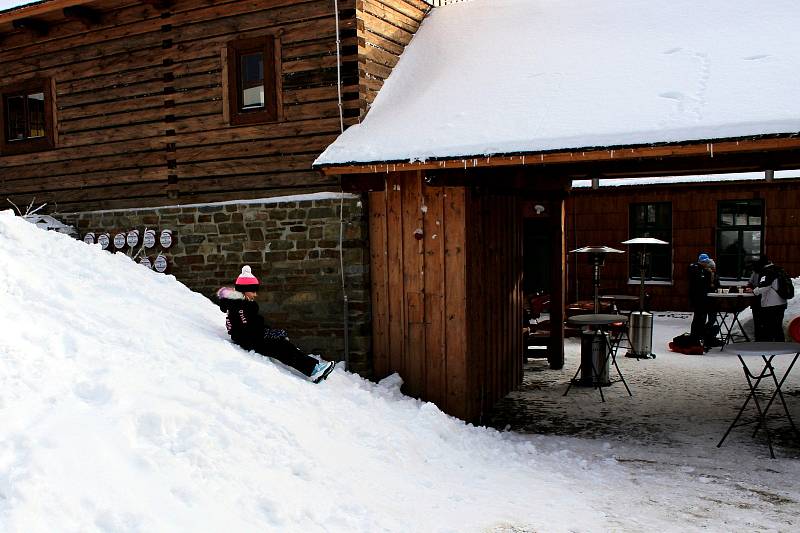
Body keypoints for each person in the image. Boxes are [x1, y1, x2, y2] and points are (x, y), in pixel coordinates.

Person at [217, 266, 335, 383]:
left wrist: (269, 332)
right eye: (253, 291)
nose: (255, 295)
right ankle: (314, 370)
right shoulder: (241, 306)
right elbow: (248, 328)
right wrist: (268, 333)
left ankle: (315, 367)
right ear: (244, 290)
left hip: (252, 337)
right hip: (250, 340)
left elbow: (252, 325)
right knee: (283, 348)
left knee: (285, 345)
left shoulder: (238, 304)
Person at [748, 256, 788, 342]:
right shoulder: (778, 269)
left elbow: (764, 286)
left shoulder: (767, 272)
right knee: (777, 326)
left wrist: (754, 291)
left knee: (769, 327)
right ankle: (780, 345)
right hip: (782, 302)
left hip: (771, 304)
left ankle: (769, 347)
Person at [688, 252, 721, 348]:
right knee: (699, 318)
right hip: (699, 299)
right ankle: (696, 338)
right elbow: (701, 285)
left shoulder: (706, 272)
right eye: (706, 263)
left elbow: (714, 285)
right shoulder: (697, 270)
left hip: (706, 299)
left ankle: (703, 336)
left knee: (705, 318)